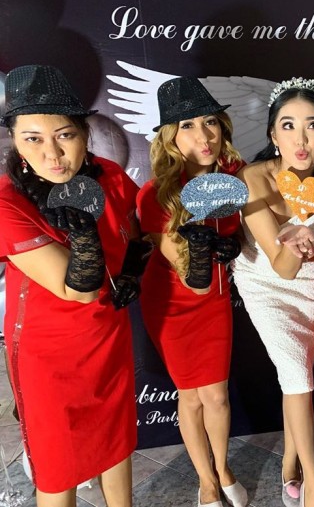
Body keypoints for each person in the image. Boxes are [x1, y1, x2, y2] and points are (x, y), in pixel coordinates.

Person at [0, 65, 139, 506]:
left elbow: (136, 232)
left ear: (84, 133)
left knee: (116, 444)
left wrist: (134, 270)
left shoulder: (110, 176)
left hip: (107, 335)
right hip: (50, 354)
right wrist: (83, 233)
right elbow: (76, 289)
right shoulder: (7, 201)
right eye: (33, 139)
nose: (52, 154)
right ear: (16, 142)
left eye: (64, 135)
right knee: (59, 469)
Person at [137, 77, 247, 507]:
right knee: (192, 396)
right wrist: (206, 251)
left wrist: (237, 243)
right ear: (170, 138)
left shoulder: (235, 179)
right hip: (174, 303)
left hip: (215, 299)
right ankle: (206, 481)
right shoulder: (155, 195)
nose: (203, 136)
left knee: (216, 395)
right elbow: (187, 275)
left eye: (210, 122)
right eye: (187, 126)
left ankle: (223, 467)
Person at [232, 77, 314, 507]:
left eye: (313, 125)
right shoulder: (252, 178)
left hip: (308, 284)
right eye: (288, 125)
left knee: (298, 376)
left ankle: (289, 464)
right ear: (273, 135)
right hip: (265, 282)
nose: (301, 138)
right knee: (296, 375)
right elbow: (281, 265)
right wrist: (304, 226)